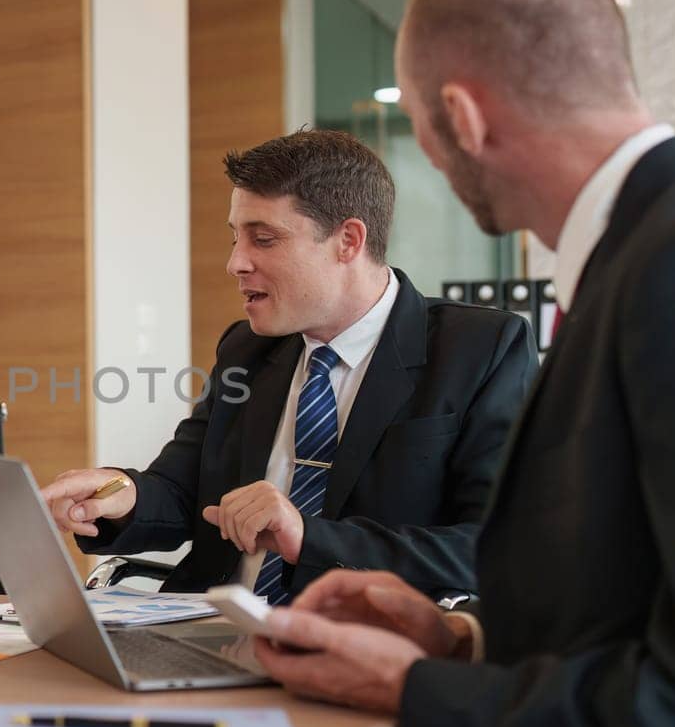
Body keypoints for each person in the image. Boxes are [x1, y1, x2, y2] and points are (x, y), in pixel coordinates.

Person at [250, 0, 675, 727]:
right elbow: (642, 598)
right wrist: (461, 640)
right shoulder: (656, 254)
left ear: (465, 115)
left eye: (415, 115)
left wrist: (416, 688)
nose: (424, 149)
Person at [41, 129, 536, 602]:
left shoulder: (479, 349)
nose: (235, 263)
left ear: (348, 241)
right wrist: (119, 494)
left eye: (264, 239)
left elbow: (497, 549)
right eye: (236, 237)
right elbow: (183, 491)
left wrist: (309, 538)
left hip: (354, 646)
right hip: (209, 634)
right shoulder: (247, 349)